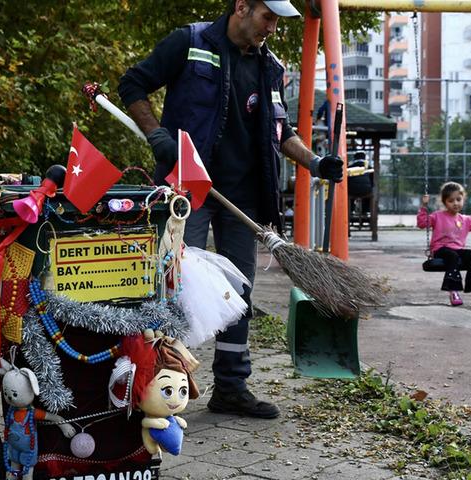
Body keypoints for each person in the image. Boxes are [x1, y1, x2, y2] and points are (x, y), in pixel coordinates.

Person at [118, 0, 344, 419]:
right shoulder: (189, 42)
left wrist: (315, 163)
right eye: (268, 17)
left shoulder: (270, 67)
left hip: (244, 196)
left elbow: (281, 132)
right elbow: (132, 84)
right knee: (173, 287)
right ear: (242, 6)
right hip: (188, 190)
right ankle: (156, 386)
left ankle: (231, 388)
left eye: (277, 21)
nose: (272, 28)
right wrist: (157, 135)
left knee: (237, 293)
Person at [417, 182, 471, 306]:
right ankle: (453, 290)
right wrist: (424, 206)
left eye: (458, 199)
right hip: (441, 249)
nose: (455, 203)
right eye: (451, 201)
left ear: (463, 200)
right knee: (452, 256)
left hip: (457, 249)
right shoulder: (437, 216)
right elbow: (422, 223)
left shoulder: (466, 219)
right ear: (444, 202)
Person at [347, 151, 373, 228]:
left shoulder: (350, 166)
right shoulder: (369, 167)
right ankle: (365, 211)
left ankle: (350, 210)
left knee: (350, 198)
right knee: (367, 198)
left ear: (355, 158)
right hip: (366, 191)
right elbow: (372, 180)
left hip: (352, 190)